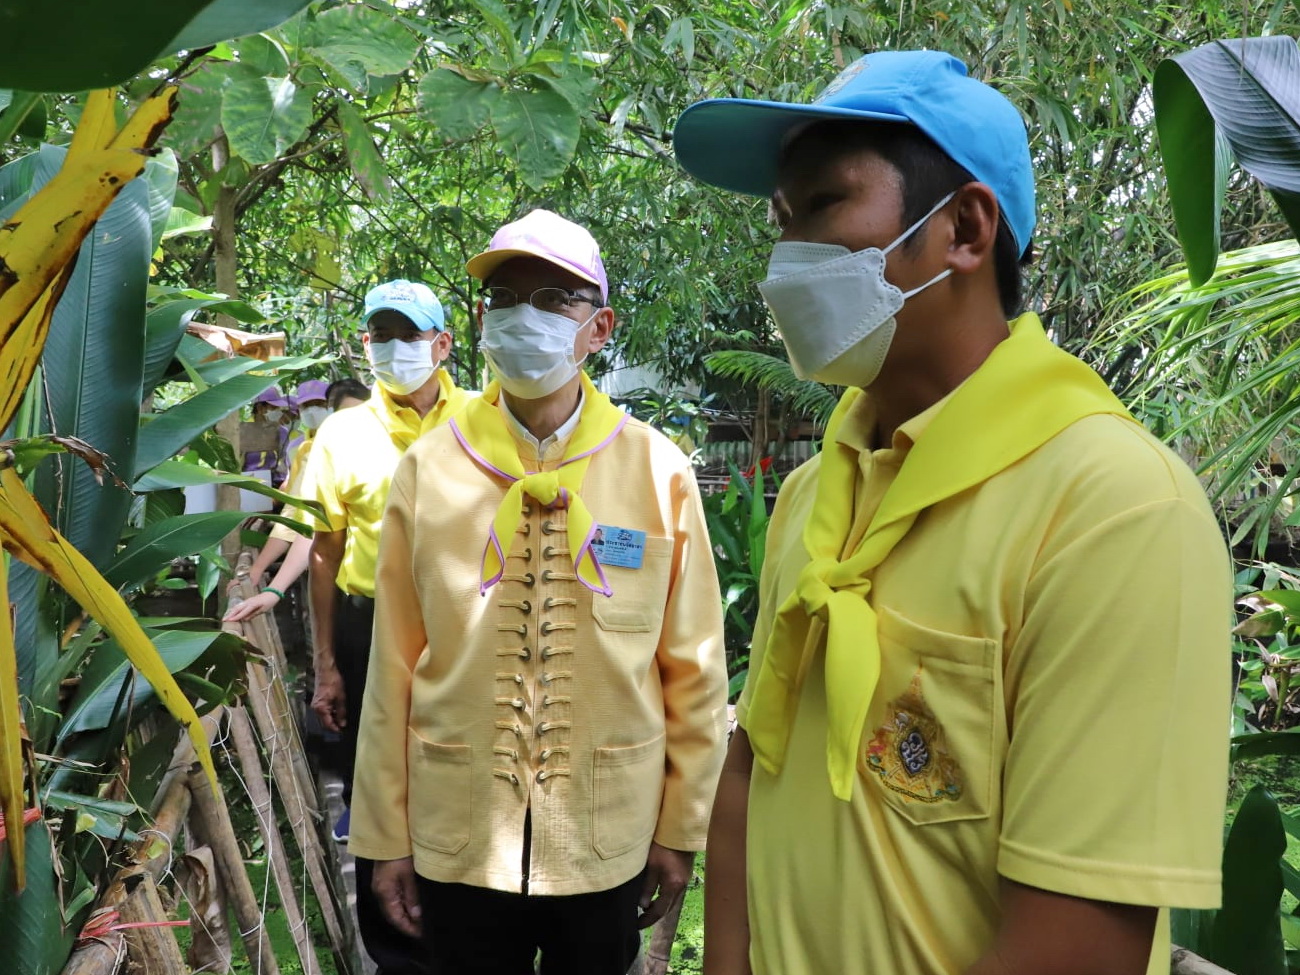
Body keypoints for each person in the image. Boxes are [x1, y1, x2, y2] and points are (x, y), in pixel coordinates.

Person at [672, 50, 1231, 975]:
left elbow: (1076, 948)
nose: (785, 258)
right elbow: (750, 772)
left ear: (964, 227)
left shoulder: (1114, 514)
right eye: (778, 221)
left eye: (820, 208)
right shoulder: (819, 492)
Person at [348, 209, 729, 975]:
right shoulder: (429, 471)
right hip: (460, 831)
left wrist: (680, 827)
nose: (526, 315)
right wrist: (384, 835)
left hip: (604, 829)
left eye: (555, 298)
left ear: (601, 326)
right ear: (482, 320)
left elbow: (693, 666)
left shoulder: (658, 472)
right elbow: (391, 667)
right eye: (506, 297)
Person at [305, 279, 468, 975]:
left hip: (463, 625)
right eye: (381, 334)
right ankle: (395, 951)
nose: (395, 348)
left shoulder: (484, 420)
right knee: (377, 774)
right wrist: (326, 663)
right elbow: (323, 550)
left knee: (459, 767)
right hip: (367, 625)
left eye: (410, 333)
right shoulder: (342, 434)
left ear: (442, 343)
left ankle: (465, 922)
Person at [224, 378, 367, 623]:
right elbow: (302, 522)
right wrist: (265, 579)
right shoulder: (310, 451)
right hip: (346, 578)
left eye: (318, 404)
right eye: (306, 406)